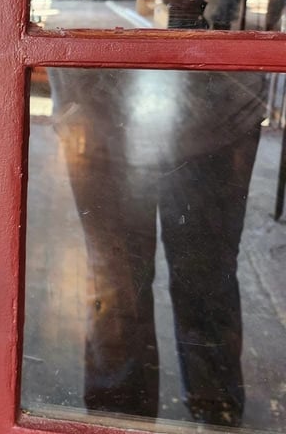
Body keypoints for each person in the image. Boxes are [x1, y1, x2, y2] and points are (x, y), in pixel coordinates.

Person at [48, 67, 267, 426]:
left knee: (199, 279)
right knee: (119, 283)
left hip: (217, 98)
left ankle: (209, 417)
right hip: (101, 100)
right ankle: (125, 420)